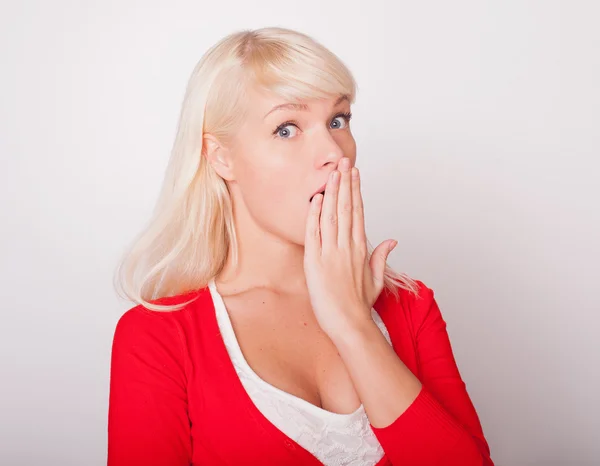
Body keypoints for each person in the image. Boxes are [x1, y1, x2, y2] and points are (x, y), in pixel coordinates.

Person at [107, 26, 494, 466]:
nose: (333, 151)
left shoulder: (411, 306)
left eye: (338, 120)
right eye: (287, 128)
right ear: (220, 157)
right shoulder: (158, 338)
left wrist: (353, 325)